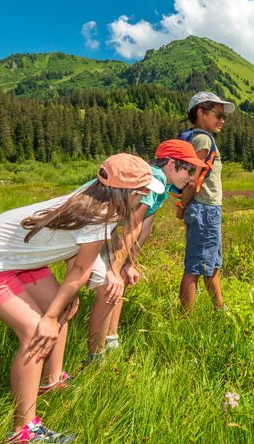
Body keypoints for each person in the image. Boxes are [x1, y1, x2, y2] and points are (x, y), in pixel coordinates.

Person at [0, 153, 165, 444]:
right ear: (126, 193)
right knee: (36, 331)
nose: (146, 196)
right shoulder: (98, 215)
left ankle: (50, 382)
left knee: (62, 308)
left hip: (19, 256)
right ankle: (23, 432)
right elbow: (79, 271)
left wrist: (59, 307)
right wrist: (49, 317)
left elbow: (68, 252)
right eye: (142, 191)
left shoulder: (94, 193)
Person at [80, 140, 207, 361]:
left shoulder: (163, 186)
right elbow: (134, 222)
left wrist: (129, 263)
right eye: (188, 168)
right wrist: (117, 267)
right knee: (108, 288)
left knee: (119, 281)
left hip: (99, 227)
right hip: (85, 222)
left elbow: (146, 226)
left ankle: (111, 339)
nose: (191, 176)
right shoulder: (153, 178)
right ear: (170, 164)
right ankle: (96, 357)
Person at [176, 91, 235, 311]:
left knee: (211, 265)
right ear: (201, 112)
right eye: (217, 114)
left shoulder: (198, 137)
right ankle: (184, 321)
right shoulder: (202, 139)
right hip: (205, 210)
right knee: (194, 267)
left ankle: (220, 310)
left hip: (207, 209)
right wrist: (182, 207)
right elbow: (194, 180)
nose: (222, 120)